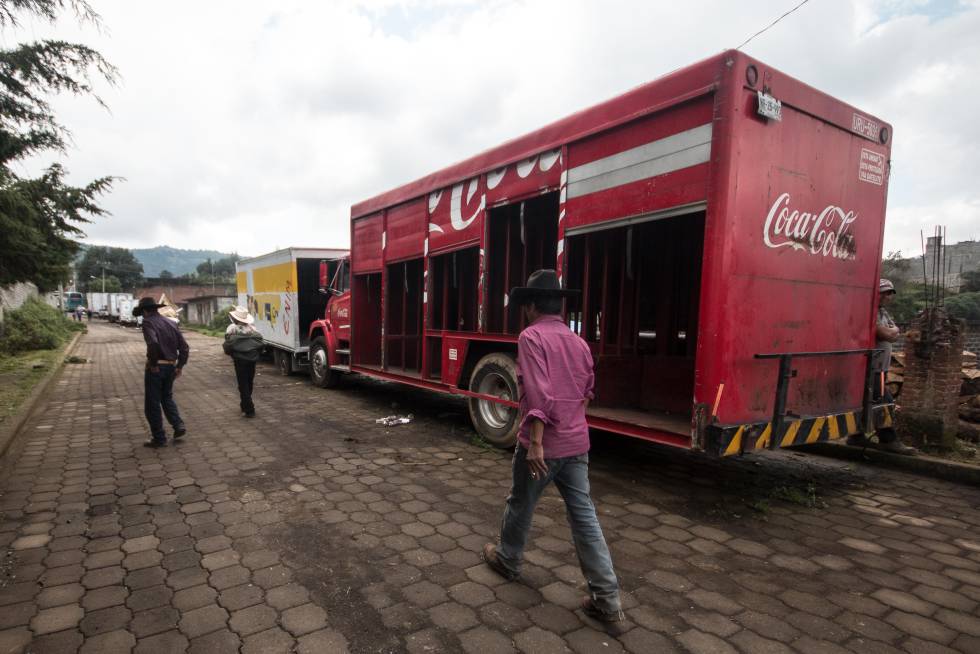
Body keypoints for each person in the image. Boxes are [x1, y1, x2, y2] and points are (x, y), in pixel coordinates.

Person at [482, 269, 624, 623]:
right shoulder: (578, 342)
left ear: (530, 305)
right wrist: (573, 426)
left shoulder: (531, 337)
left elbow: (540, 396)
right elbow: (587, 392)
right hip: (578, 443)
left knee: (521, 501)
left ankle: (508, 559)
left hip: (544, 446)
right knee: (584, 516)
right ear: (558, 304)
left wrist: (537, 445)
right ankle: (606, 598)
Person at [847, 279, 916, 455]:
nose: (887, 296)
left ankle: (856, 435)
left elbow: (894, 330)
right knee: (884, 400)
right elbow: (887, 333)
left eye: (889, 293)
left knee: (867, 400)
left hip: (880, 366)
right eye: (884, 292)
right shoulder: (869, 312)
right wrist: (891, 332)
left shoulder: (882, 312)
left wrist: (892, 332)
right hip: (872, 366)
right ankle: (889, 439)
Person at [133, 297, 189, 448]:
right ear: (155, 308)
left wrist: (152, 363)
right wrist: (180, 366)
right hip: (171, 366)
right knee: (167, 397)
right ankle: (178, 425)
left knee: (152, 403)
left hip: (156, 367)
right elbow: (184, 347)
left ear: (145, 311)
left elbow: (153, 343)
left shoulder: (148, 322)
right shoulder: (171, 323)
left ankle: (159, 438)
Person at [223, 306, 263, 418]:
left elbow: (228, 345)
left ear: (235, 318)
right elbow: (260, 344)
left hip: (239, 361)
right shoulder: (253, 329)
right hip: (252, 360)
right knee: (249, 382)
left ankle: (249, 409)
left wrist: (233, 354)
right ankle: (245, 404)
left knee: (243, 384)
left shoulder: (232, 328)